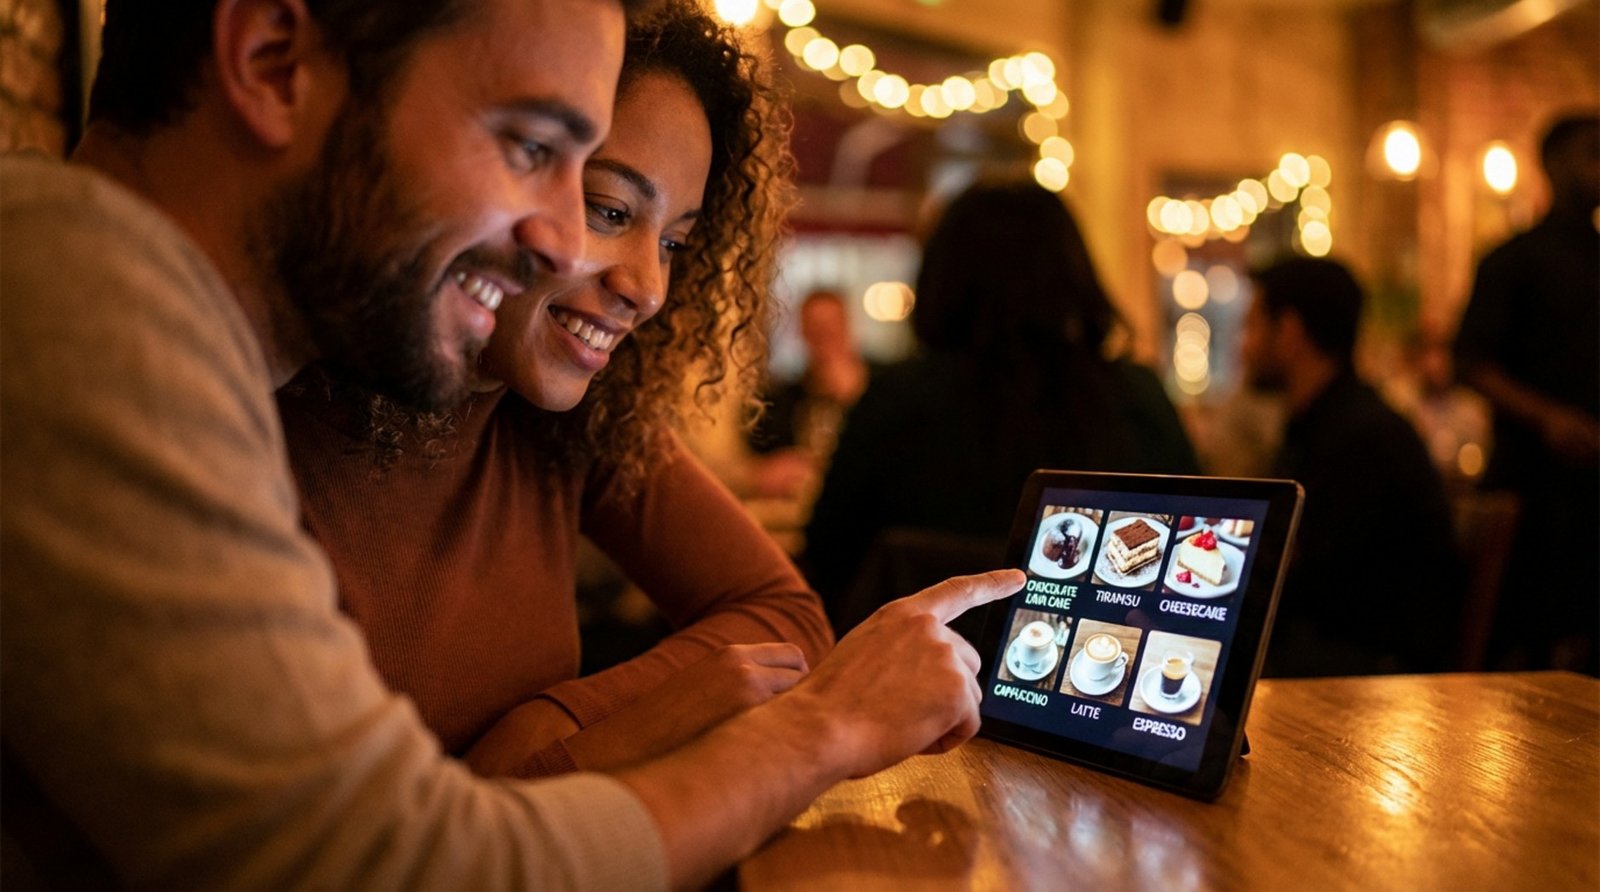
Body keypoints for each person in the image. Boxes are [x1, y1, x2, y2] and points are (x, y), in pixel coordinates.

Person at [0, 0, 1024, 888]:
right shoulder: (65, 293)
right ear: (273, 63)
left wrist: (555, 734)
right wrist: (819, 727)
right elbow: (390, 868)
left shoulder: (161, 321)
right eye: (532, 147)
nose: (560, 239)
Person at [277, 1, 833, 779]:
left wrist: (558, 718)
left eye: (675, 243)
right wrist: (579, 748)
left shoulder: (569, 422)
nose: (647, 288)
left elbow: (786, 615)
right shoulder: (258, 417)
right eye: (609, 210)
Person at [804, 177, 1199, 630]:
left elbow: (828, 564)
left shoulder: (895, 400)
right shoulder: (1134, 399)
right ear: (1073, 274)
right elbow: (1186, 560)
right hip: (1096, 678)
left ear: (941, 277)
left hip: (916, 680)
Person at [1240, 256, 1460, 677]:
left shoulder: (1362, 439)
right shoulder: (1324, 426)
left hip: (1373, 680)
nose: (1243, 345)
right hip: (1339, 657)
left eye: (1251, 326)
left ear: (1288, 331)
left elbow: (1301, 584)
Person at [1453, 112, 1599, 675]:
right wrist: (1549, 419)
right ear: (1553, 164)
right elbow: (1470, 361)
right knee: (1526, 648)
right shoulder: (1515, 259)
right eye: (1591, 153)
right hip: (1533, 481)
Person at [743, 288, 874, 499]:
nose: (824, 337)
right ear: (803, 331)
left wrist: (855, 395)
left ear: (847, 327)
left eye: (831, 328)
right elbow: (758, 461)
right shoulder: (781, 398)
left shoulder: (877, 390)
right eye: (816, 328)